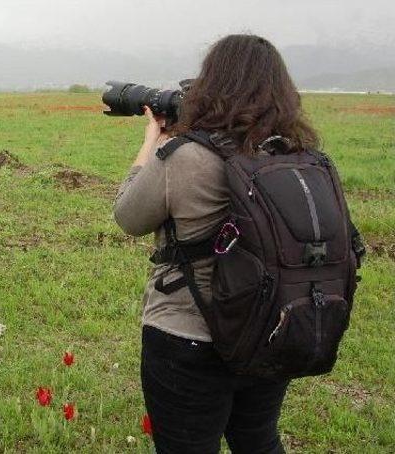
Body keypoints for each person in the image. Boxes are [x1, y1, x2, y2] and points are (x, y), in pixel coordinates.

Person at [113, 35, 323, 453]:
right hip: (269, 328)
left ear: (210, 85)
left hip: (189, 337)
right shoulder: (297, 155)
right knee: (258, 440)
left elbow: (127, 216)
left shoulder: (186, 155)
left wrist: (152, 140)